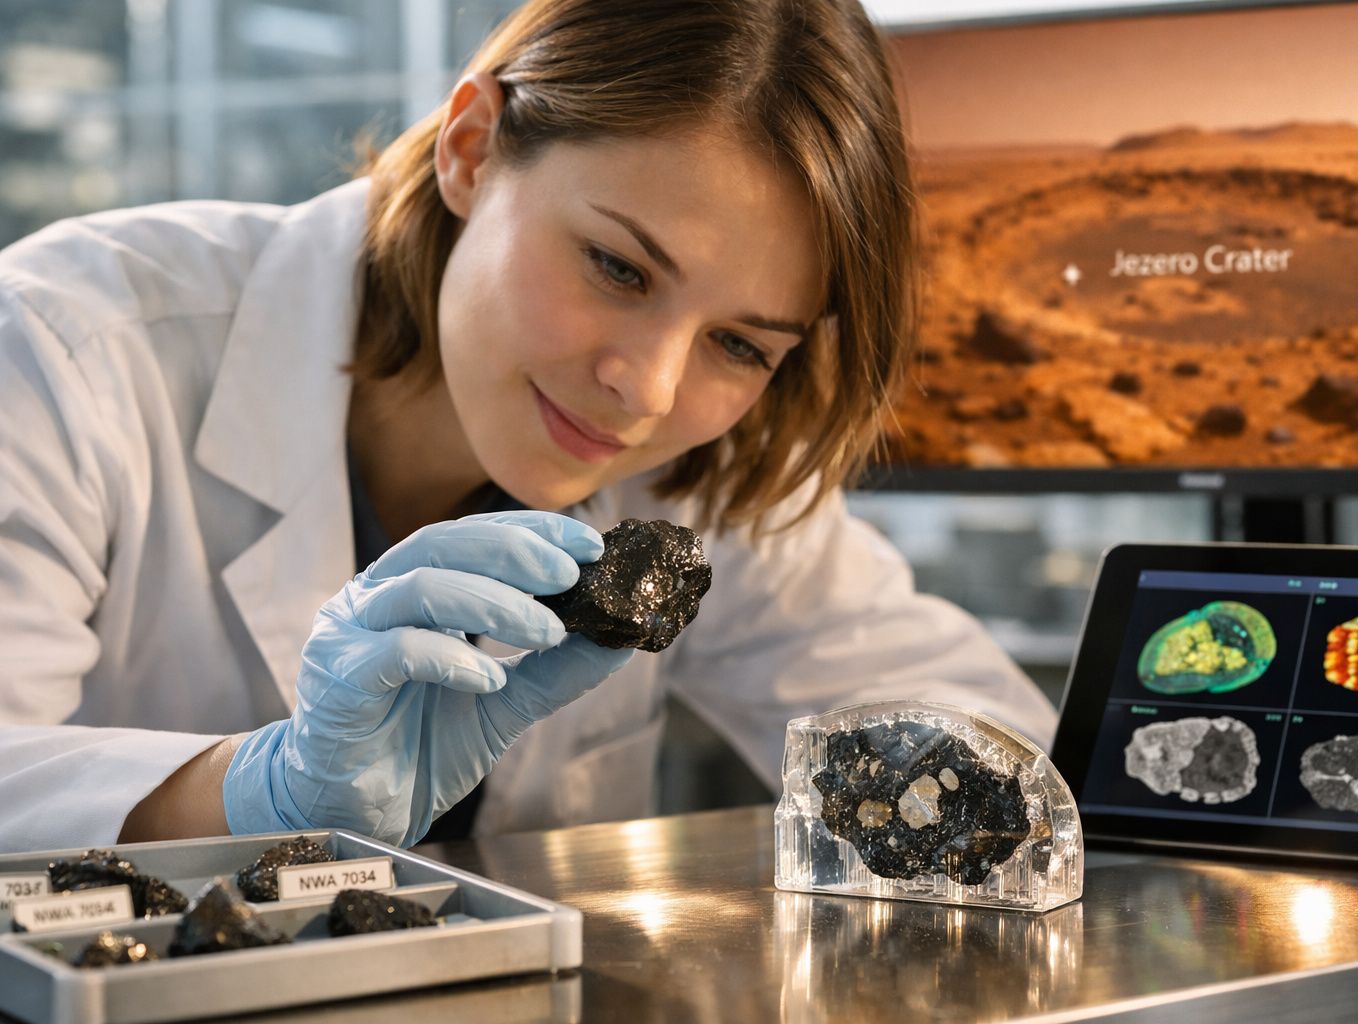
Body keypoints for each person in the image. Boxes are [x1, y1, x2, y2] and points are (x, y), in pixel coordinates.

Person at [0, 0, 1056, 853]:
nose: (647, 390)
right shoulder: (67, 345)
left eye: (740, 343)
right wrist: (259, 791)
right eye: (617, 267)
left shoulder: (706, 465)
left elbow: (981, 735)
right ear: (470, 148)